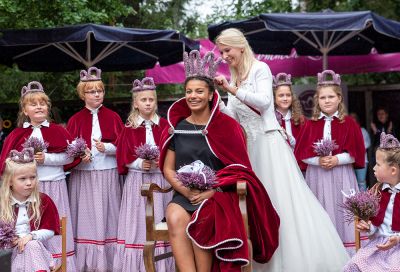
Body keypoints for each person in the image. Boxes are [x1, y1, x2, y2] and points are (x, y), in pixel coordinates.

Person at [214, 28, 349, 271]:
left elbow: (265, 102)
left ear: (240, 46)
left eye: (227, 50)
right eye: (221, 52)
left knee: (282, 202)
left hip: (268, 144)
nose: (224, 56)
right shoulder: (233, 77)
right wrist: (215, 99)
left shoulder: (260, 69)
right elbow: (233, 115)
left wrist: (232, 90)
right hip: (249, 150)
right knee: (257, 207)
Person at [160, 50, 280, 272]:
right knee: (174, 216)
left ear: (210, 94)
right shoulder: (177, 126)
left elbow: (239, 171)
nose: (193, 96)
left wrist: (212, 192)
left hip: (219, 196)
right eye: (188, 91)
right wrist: (184, 191)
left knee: (203, 217)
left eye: (199, 91)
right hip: (184, 193)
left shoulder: (227, 126)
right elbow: (168, 168)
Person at [0, 81, 77, 270]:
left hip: (55, 184)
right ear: (25, 110)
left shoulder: (58, 130)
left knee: (55, 227)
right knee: (30, 226)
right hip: (27, 191)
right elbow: (7, 163)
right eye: (33, 104)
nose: (39, 107)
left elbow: (71, 155)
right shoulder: (16, 134)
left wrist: (46, 159)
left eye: (43, 103)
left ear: (48, 107)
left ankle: (60, 265)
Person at [295, 70, 366, 256]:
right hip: (317, 176)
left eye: (331, 97)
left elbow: (356, 153)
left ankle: (347, 253)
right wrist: (318, 160)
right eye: (322, 97)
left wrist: (336, 159)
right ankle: (323, 251)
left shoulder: (349, 123)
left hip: (341, 175)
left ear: (339, 98)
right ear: (317, 100)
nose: (327, 101)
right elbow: (301, 153)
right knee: (321, 207)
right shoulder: (310, 124)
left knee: (342, 210)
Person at [66, 67, 124, 271]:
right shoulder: (74, 120)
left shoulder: (114, 117)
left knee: (109, 215)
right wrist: (80, 155)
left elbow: (124, 147)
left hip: (107, 174)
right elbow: (67, 150)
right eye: (91, 91)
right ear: (83, 94)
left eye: (100, 90)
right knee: (86, 218)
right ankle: (87, 263)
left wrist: (106, 148)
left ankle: (109, 262)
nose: (97, 94)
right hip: (84, 176)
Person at [113, 77, 173, 271]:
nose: (148, 103)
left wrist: (159, 163)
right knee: (137, 220)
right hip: (137, 182)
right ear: (136, 104)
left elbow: (172, 151)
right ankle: (136, 265)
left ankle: (162, 263)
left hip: (160, 181)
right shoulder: (129, 128)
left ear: (156, 102)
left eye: (151, 100)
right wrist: (140, 163)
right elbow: (123, 155)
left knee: (160, 218)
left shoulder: (164, 125)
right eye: (144, 100)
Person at [343, 132, 400, 271]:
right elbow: (376, 223)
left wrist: (397, 239)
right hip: (378, 245)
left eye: (378, 164)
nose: (373, 168)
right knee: (353, 265)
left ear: (393, 170)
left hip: (398, 247)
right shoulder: (377, 192)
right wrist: (368, 227)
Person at [0, 148, 60, 271]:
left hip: (37, 252)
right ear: (10, 181)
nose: (29, 183)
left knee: (31, 245)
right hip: (8, 255)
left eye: (32, 177)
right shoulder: (2, 203)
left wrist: (30, 236)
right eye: (23, 179)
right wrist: (8, 240)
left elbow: (51, 230)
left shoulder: (43, 201)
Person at [273, 73, 306, 150]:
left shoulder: (300, 119)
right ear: (274, 98)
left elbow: (305, 146)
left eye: (288, 95)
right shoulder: (270, 119)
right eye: (281, 95)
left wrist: (291, 139)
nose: (285, 98)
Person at [350, 112, 371, 191]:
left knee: (361, 181)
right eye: (350, 117)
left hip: (362, 160)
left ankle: (362, 201)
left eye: (354, 117)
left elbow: (367, 144)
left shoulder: (363, 131)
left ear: (357, 120)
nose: (352, 119)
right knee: (351, 182)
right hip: (349, 160)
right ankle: (352, 201)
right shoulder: (346, 131)